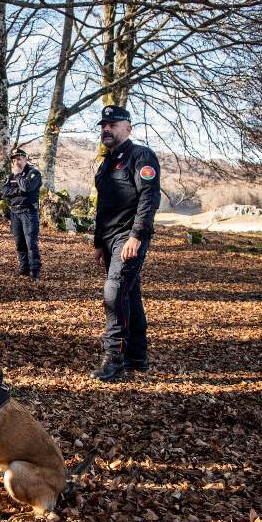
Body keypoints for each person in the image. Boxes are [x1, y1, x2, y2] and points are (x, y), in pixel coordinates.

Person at [91, 104, 161, 382]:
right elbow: (102, 207)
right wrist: (98, 242)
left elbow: (149, 198)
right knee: (129, 295)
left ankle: (114, 360)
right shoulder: (105, 164)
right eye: (103, 126)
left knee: (114, 294)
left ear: (128, 128)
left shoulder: (141, 156)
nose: (106, 129)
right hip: (108, 239)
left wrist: (136, 236)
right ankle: (137, 357)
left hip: (129, 237)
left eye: (113, 124)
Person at [1, 148, 42, 281]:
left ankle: (34, 270)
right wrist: (19, 191)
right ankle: (24, 268)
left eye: (19, 158)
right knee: (19, 242)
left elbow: (27, 188)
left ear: (25, 158)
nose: (16, 162)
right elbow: (5, 192)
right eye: (14, 160)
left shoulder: (33, 173)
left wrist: (18, 177)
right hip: (15, 212)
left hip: (28, 212)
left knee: (31, 243)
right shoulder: (10, 175)